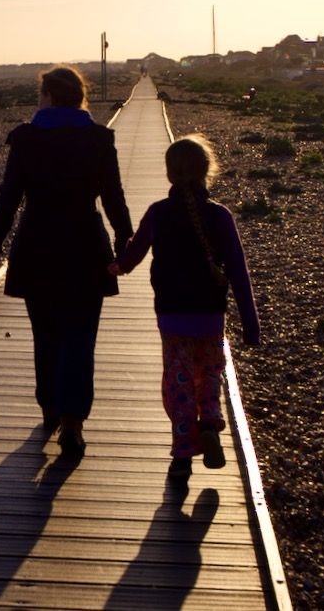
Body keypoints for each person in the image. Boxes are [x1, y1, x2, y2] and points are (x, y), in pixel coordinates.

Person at [0, 65, 132, 460]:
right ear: (79, 96)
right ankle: (73, 424)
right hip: (85, 246)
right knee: (80, 339)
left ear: (47, 95)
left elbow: (7, 200)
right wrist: (125, 241)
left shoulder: (27, 139)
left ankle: (49, 407)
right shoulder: (98, 139)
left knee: (46, 335)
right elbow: (113, 197)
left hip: (37, 247)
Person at [112, 134, 260, 485]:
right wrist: (251, 326)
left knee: (178, 382)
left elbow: (131, 257)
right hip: (209, 315)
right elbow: (238, 272)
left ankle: (182, 455)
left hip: (172, 314)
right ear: (207, 172)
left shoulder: (158, 213)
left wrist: (113, 267)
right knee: (209, 374)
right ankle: (209, 420)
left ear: (169, 174)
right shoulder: (220, 216)